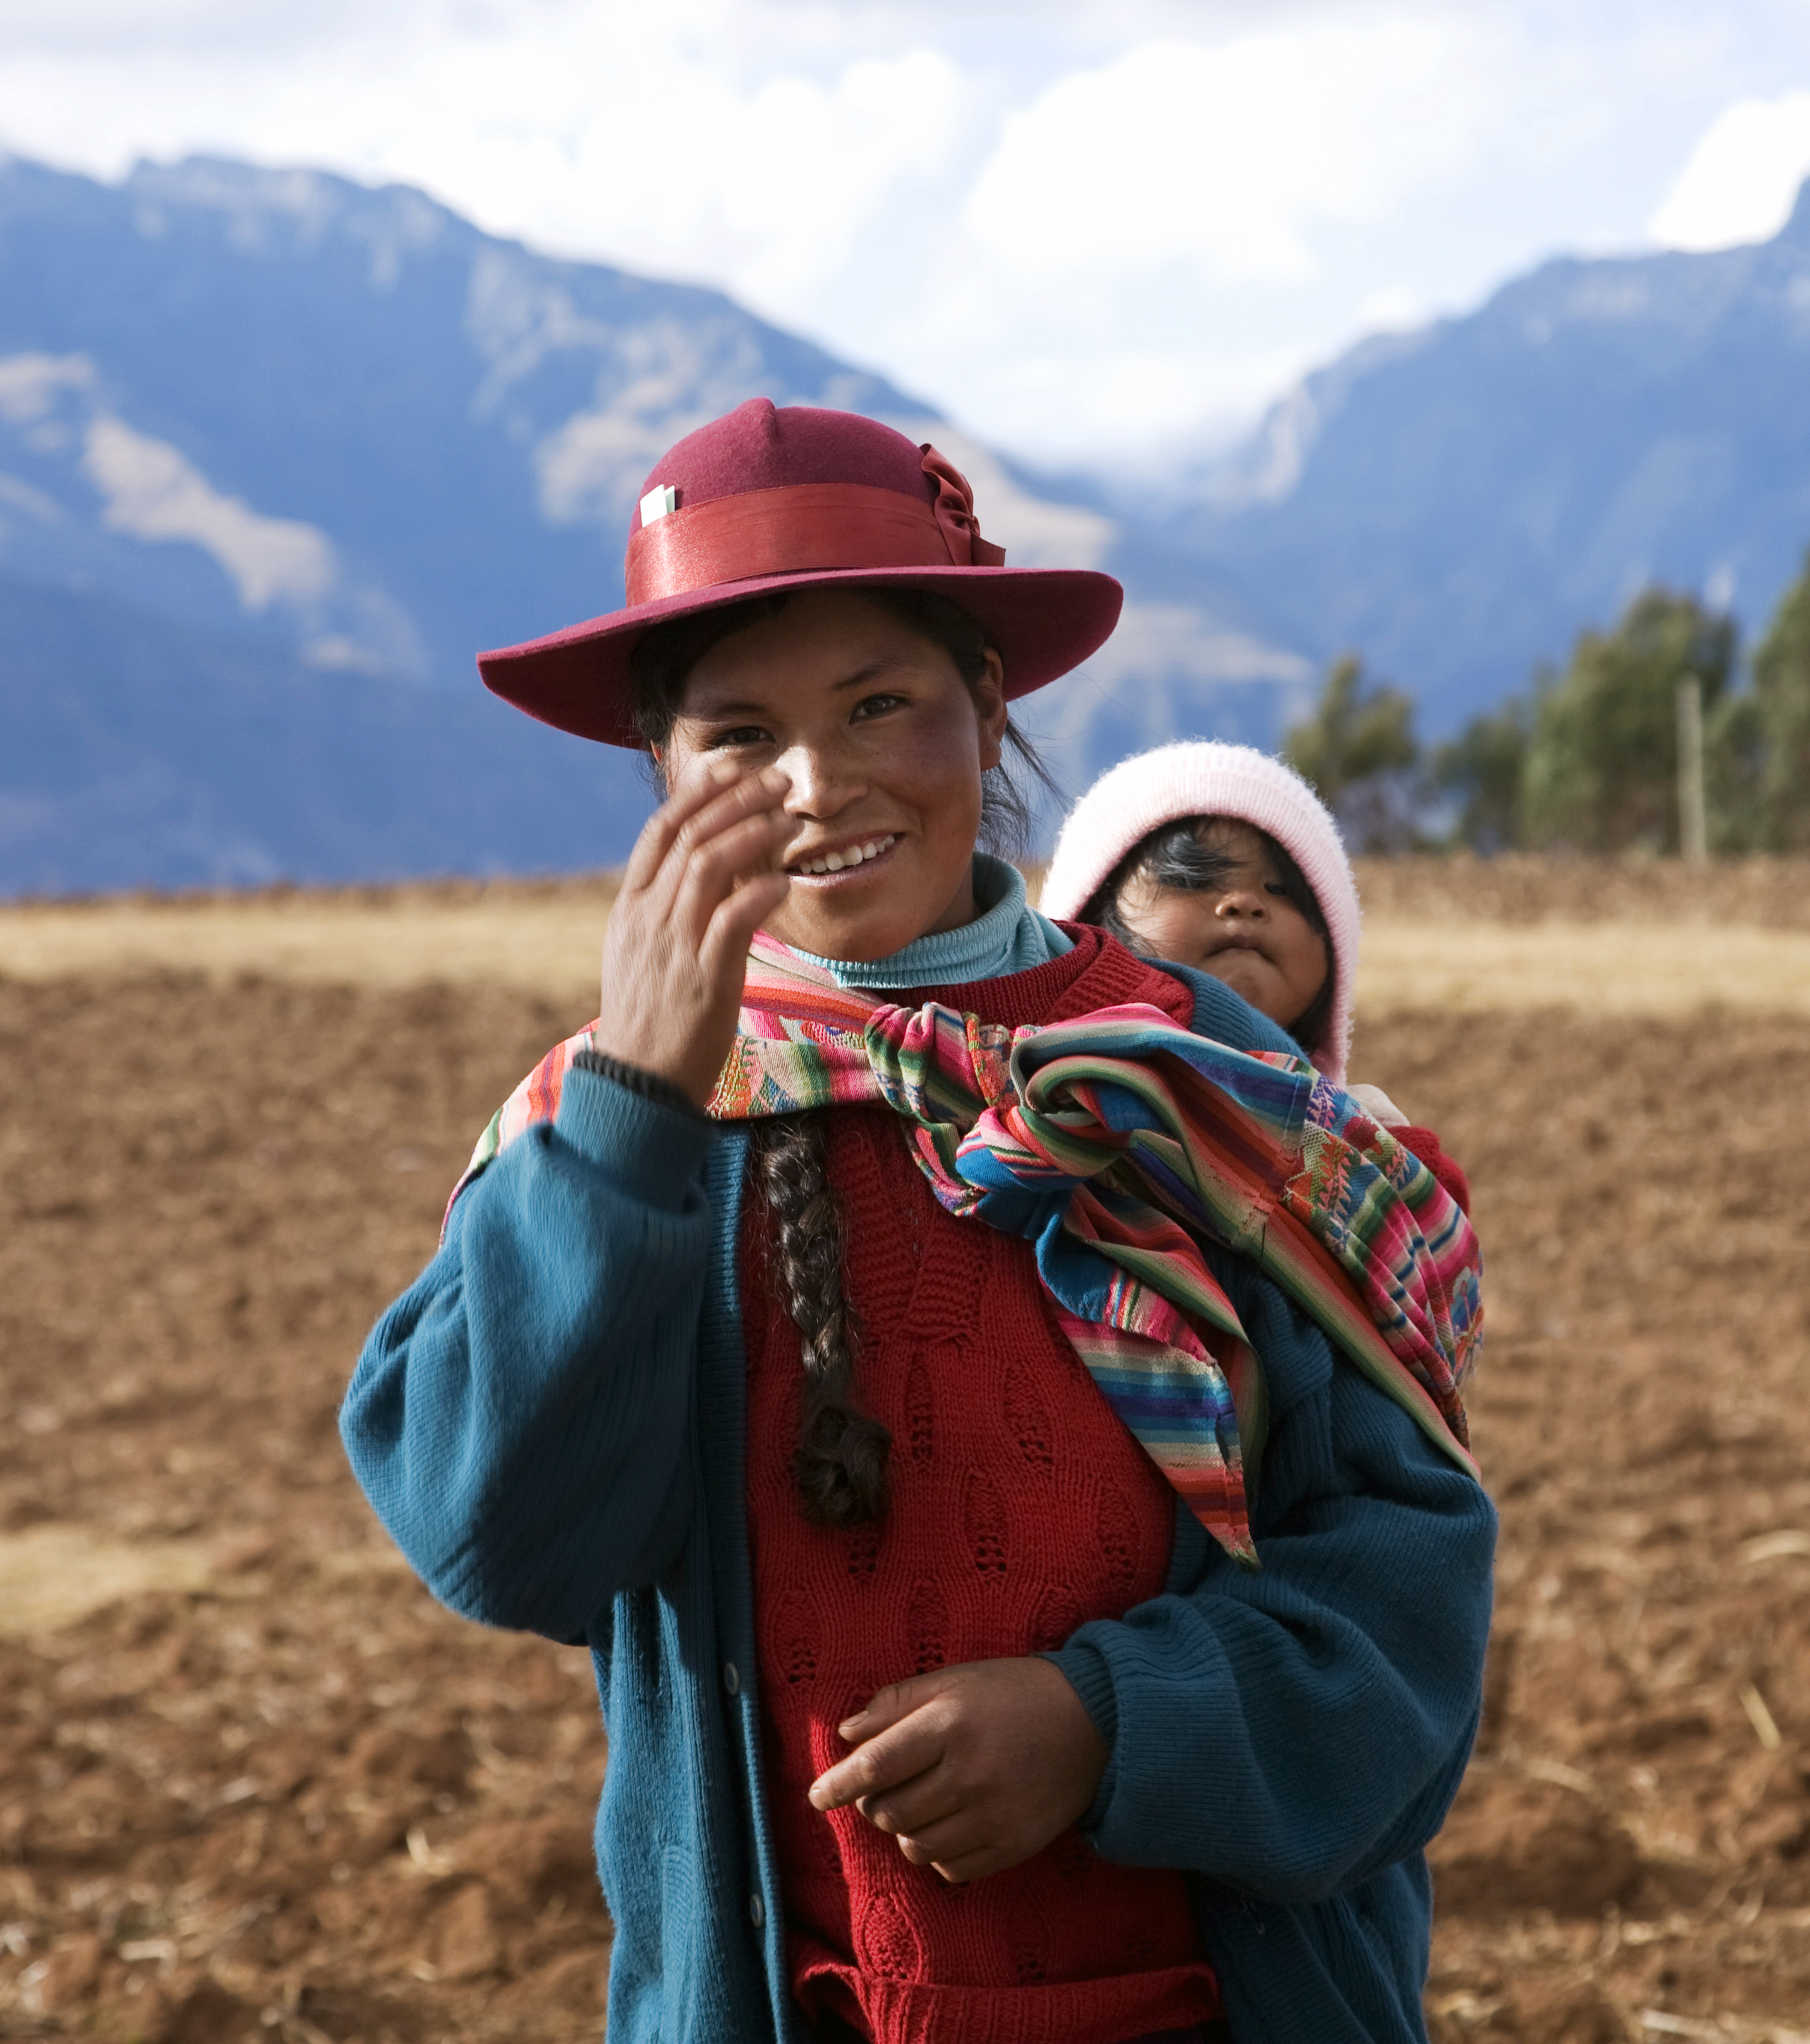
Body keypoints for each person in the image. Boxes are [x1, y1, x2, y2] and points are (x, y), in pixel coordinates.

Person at [341, 400, 1495, 2044]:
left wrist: (1107, 1726)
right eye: (737, 738)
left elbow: (1403, 1600)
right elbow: (499, 1534)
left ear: (986, 703)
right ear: (656, 777)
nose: (819, 784)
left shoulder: (1205, 1086)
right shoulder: (602, 1132)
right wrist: (634, 1118)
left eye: (881, 702)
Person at [1040, 740, 1471, 1211]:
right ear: (1087, 921)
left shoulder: (1371, 1135)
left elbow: (1437, 1249)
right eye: (1193, 878)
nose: (1244, 902)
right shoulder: (1044, 1113)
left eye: (1282, 889)